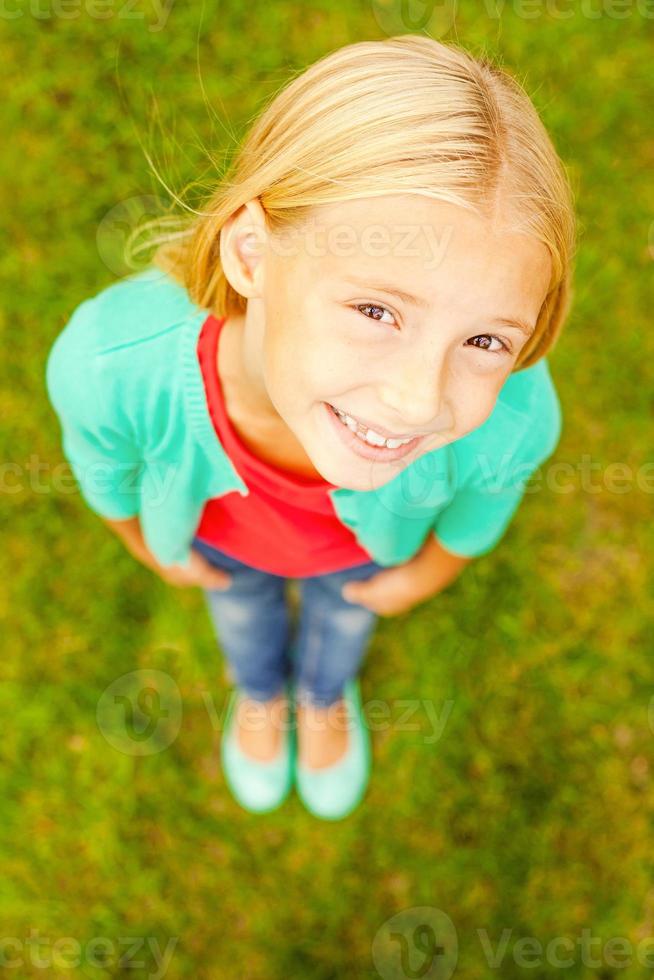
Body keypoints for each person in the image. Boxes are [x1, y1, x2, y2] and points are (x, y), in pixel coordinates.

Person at [45, 35, 576, 821]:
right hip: (224, 546)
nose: (414, 399)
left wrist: (425, 575)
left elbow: (481, 506)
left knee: (342, 620)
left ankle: (323, 698)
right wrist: (143, 543)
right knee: (243, 614)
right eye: (375, 311)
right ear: (253, 253)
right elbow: (106, 473)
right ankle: (261, 695)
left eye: (486, 341)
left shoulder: (516, 419)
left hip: (363, 559)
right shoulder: (108, 363)